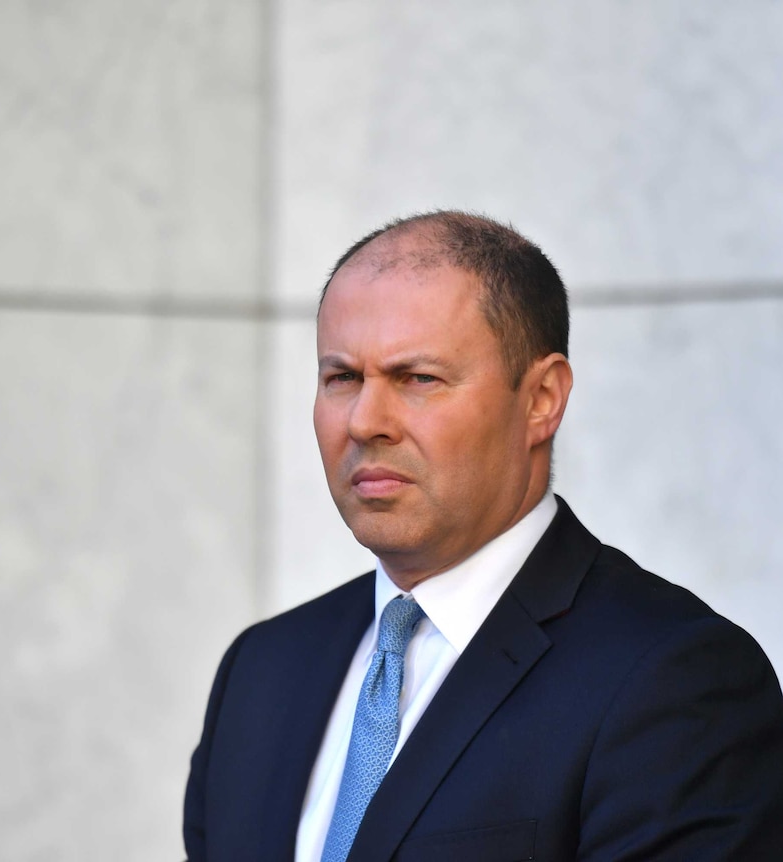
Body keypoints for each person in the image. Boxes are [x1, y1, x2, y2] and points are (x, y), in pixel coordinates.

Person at [183, 211, 783, 861]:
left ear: (542, 399)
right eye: (343, 378)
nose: (365, 421)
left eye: (417, 379)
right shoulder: (263, 670)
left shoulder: (674, 682)